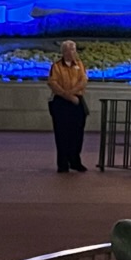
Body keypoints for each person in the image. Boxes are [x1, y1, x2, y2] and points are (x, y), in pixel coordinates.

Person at [47, 40, 89, 173]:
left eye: (74, 49)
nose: (72, 52)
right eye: (69, 49)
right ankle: (63, 164)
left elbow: (83, 81)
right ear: (63, 51)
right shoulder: (56, 66)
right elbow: (53, 83)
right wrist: (68, 96)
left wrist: (72, 94)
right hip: (61, 103)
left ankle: (75, 161)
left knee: (77, 134)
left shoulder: (80, 65)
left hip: (77, 101)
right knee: (62, 134)